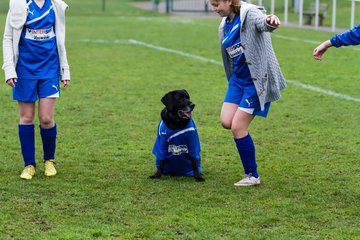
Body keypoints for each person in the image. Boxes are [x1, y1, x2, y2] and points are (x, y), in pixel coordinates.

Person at [209, 0, 286, 187]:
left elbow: (263, 22)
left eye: (216, 4)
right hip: (237, 80)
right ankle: (250, 170)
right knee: (226, 121)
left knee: (237, 127)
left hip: (254, 81)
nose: (214, 9)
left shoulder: (249, 13)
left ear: (229, 1)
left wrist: (270, 21)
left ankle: (252, 175)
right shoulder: (226, 22)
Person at [2, 0, 70, 179]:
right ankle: (29, 165)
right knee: (26, 117)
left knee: (46, 118)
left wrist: (65, 70)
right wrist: (9, 69)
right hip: (24, 69)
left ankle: (49, 160)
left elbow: (61, 40)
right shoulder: (18, 4)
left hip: (49, 67)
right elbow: (8, 38)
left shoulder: (55, 5)